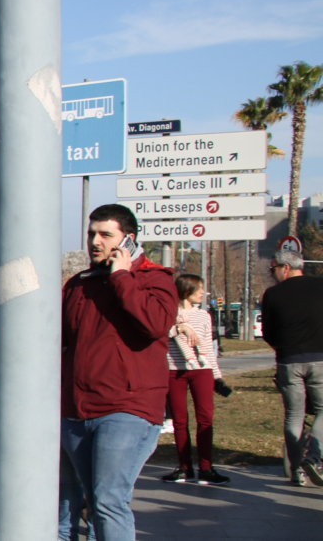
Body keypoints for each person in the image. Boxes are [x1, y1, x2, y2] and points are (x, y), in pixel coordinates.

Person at [60, 204, 177, 541]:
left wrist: (122, 277)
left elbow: (156, 323)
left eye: (105, 235)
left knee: (108, 501)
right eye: (91, 234)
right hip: (76, 412)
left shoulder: (155, 278)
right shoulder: (79, 284)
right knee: (72, 503)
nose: (95, 241)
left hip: (127, 410)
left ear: (128, 240)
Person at [260, 249, 323, 487]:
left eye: (272, 268)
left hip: (288, 360)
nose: (272, 273)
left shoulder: (272, 294)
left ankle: (297, 471)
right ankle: (314, 457)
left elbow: (268, 333)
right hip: (320, 358)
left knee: (294, 416)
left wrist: (282, 347)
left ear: (285, 268)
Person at [160, 274, 230, 486]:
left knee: (205, 419)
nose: (203, 292)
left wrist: (217, 376)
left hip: (202, 371)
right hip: (175, 371)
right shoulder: (169, 311)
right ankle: (185, 468)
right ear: (186, 290)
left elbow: (208, 348)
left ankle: (206, 468)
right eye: (199, 288)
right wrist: (179, 328)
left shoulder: (204, 316)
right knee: (180, 421)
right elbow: (160, 335)